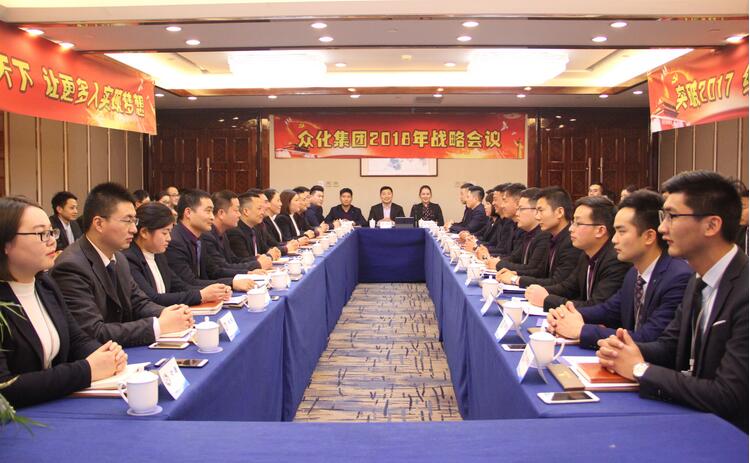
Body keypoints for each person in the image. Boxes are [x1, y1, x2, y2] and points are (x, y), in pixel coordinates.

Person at [597, 171, 748, 431]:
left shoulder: (744, 290)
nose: (662, 228)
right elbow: (670, 347)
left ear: (711, 225)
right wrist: (621, 351)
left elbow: (728, 395)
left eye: (672, 216)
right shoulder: (698, 279)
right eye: (663, 217)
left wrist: (640, 369)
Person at [0, 196, 127, 408]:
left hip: (52, 404)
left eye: (52, 232)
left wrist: (105, 354)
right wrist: (86, 370)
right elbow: (6, 388)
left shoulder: (45, 284)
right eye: (41, 234)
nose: (52, 241)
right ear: (5, 243)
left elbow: (76, 339)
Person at [51, 183, 192, 347]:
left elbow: (138, 302)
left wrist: (168, 313)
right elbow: (93, 332)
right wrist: (158, 326)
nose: (134, 229)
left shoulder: (119, 258)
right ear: (99, 224)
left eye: (134, 221)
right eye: (127, 221)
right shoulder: (71, 266)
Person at [547, 190, 692, 349]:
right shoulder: (634, 273)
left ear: (649, 236)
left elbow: (648, 337)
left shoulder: (678, 277)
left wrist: (581, 330)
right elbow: (608, 310)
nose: (614, 240)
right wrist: (565, 316)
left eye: (622, 232)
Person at [525, 196, 630, 310]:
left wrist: (547, 299)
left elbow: (597, 306)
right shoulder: (586, 254)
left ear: (600, 231)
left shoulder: (616, 260)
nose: (571, 228)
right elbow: (568, 287)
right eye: (573, 222)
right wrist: (539, 291)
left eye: (578, 223)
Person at [124, 202, 231, 307]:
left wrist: (216, 290)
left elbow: (180, 286)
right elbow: (152, 299)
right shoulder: (130, 259)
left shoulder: (158, 255)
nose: (169, 238)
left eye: (170, 232)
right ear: (144, 232)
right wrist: (201, 295)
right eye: (165, 233)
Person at [164, 189, 257, 293]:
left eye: (212, 212)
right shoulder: (175, 242)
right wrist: (231, 283)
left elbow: (213, 270)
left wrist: (245, 274)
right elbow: (189, 283)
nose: (212, 217)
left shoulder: (200, 238)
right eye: (208, 211)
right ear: (188, 212)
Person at [496, 186, 582, 288]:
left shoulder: (571, 241)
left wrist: (515, 279)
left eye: (540, 211)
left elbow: (558, 282)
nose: (537, 216)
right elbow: (539, 271)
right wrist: (515, 273)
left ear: (559, 212)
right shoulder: (550, 236)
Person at [202, 190, 271, 277]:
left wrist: (257, 259)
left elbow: (233, 260)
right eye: (236, 210)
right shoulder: (207, 236)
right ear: (221, 213)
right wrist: (256, 265)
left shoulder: (222, 233)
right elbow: (220, 269)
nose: (239, 214)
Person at [486, 188, 550, 277]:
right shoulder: (528, 232)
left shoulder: (544, 235)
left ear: (536, 211)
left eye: (521, 209)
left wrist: (498, 264)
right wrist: (495, 260)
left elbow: (534, 269)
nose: (517, 213)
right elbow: (515, 257)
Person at [227, 190, 281, 262]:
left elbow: (265, 250)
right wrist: (269, 256)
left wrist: (274, 252)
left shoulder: (255, 229)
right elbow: (243, 260)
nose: (262, 212)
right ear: (246, 211)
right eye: (259, 209)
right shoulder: (235, 232)